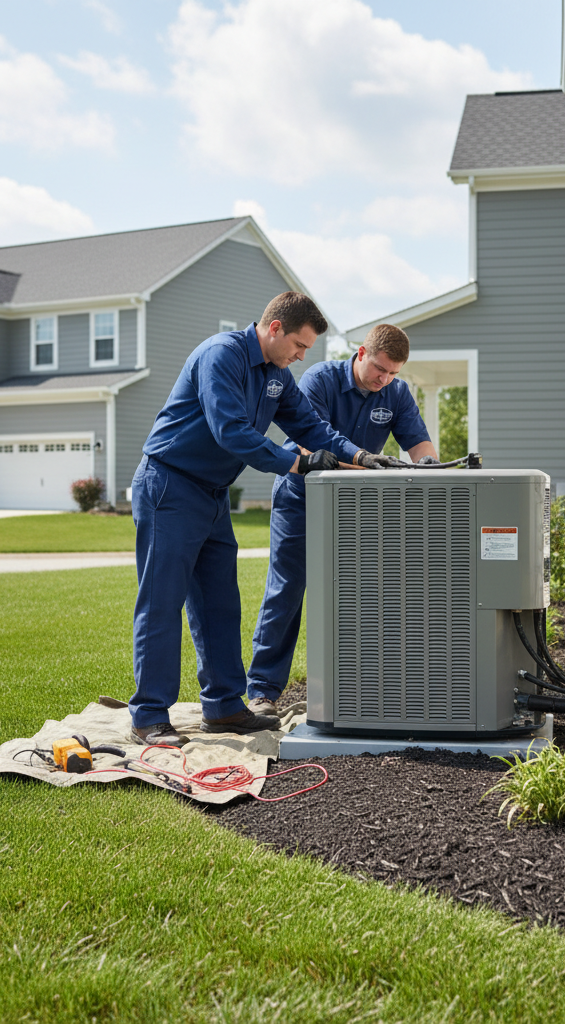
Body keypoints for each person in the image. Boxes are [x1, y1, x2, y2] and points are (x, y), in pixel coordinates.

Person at [128, 293, 397, 747]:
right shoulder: (222, 355)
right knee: (161, 603)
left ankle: (224, 707)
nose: (301, 356)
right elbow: (230, 430)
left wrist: (359, 455)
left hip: (212, 495)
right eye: (299, 345)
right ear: (274, 329)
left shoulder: (277, 375)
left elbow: (310, 424)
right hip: (169, 486)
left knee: (220, 603)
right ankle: (149, 717)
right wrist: (297, 463)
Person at [246, 324, 439, 714]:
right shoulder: (320, 379)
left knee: (365, 594)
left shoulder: (396, 393)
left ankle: (360, 684)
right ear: (362, 352)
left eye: (393, 374)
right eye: (380, 369)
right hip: (301, 498)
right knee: (286, 590)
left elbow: (418, 444)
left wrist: (429, 468)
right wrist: (373, 467)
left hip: (359, 506)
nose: (384, 380)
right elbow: (309, 441)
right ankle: (263, 691)